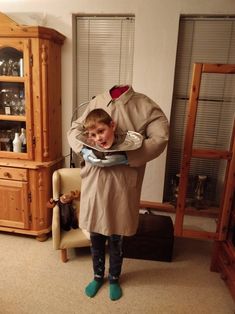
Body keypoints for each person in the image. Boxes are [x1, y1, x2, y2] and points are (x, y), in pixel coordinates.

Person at [67, 85, 169, 301]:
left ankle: (114, 277)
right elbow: (74, 130)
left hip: (122, 183)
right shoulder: (96, 102)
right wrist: (85, 150)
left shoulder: (144, 104)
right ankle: (97, 276)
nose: (99, 136)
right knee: (95, 233)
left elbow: (160, 138)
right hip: (95, 182)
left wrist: (126, 158)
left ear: (112, 126)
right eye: (95, 133)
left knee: (116, 235)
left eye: (102, 131)